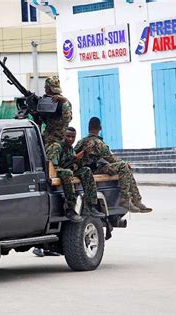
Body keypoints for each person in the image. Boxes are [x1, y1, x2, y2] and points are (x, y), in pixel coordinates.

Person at [33, 127, 100, 257]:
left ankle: (90, 204)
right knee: (67, 173)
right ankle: (70, 207)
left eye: (72, 137)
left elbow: (72, 162)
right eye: (68, 136)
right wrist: (72, 162)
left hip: (66, 170)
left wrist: (79, 158)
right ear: (64, 135)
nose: (70, 139)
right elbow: (53, 165)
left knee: (86, 171)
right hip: (55, 172)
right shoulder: (56, 147)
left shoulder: (70, 148)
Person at [75, 117, 152, 213]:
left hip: (85, 170)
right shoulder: (98, 142)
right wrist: (123, 163)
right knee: (124, 166)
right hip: (94, 170)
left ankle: (136, 200)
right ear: (100, 128)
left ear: (88, 128)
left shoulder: (81, 141)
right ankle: (128, 199)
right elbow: (110, 158)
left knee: (124, 166)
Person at [42, 77, 81, 222]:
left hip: (57, 145)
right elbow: (42, 118)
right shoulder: (46, 101)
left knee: (65, 172)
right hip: (46, 141)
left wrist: (63, 102)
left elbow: (67, 119)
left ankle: (70, 207)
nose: (48, 92)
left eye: (49, 90)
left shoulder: (64, 103)